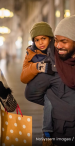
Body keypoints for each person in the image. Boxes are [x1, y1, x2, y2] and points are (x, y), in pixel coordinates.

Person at [25, 15, 75, 146]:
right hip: (63, 134)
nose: (58, 45)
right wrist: (58, 105)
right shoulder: (50, 65)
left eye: (63, 41)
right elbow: (31, 93)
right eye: (57, 40)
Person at [20, 22, 55, 145]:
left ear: (50, 38)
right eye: (37, 39)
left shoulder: (58, 49)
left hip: (58, 90)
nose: (40, 43)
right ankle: (47, 134)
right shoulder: (31, 53)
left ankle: (47, 133)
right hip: (40, 90)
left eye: (43, 38)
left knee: (51, 100)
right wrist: (37, 67)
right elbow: (23, 77)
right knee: (49, 98)